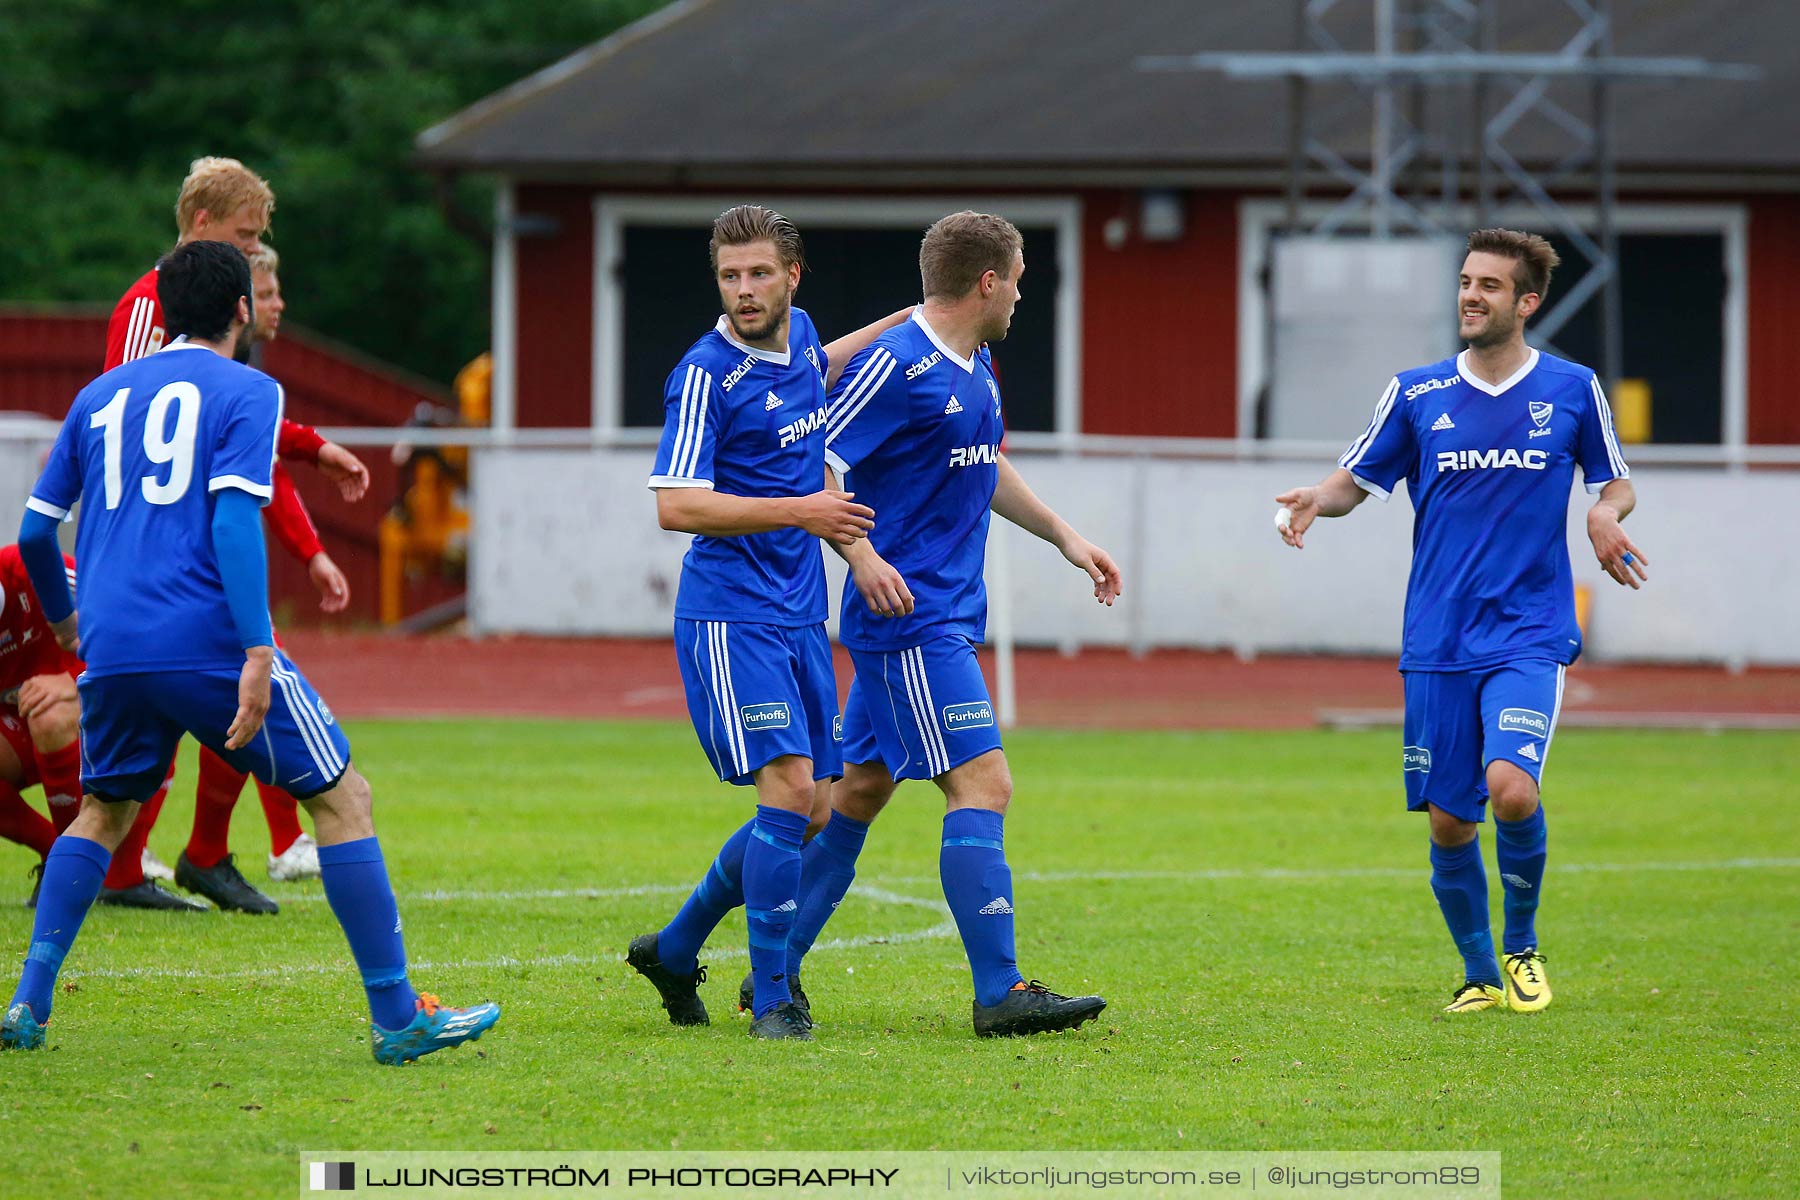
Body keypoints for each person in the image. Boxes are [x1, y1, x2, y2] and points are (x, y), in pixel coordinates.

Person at [0, 240, 499, 1062]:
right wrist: (259, 649)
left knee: (103, 811)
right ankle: (397, 1016)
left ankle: (28, 1005)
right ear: (241, 310)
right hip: (203, 639)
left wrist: (65, 626)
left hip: (113, 645)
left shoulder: (96, 397)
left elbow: (31, 531)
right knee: (344, 798)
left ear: (160, 313)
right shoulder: (250, 388)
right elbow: (233, 520)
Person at [1274, 228, 1644, 1014]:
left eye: (1490, 285)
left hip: (1528, 630)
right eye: (1466, 281)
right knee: (1449, 822)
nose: (1471, 296)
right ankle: (1478, 974)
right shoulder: (1416, 393)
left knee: (1510, 790)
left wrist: (1601, 515)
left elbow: (1616, 483)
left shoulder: (1572, 390)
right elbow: (1354, 480)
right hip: (1438, 635)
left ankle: (1522, 950)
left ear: (1527, 302)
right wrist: (1316, 498)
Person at [771, 211, 1122, 1038]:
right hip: (911, 620)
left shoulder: (976, 361)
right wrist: (859, 558)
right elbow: (815, 457)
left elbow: (986, 462)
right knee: (984, 783)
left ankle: (770, 971)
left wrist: (1067, 538)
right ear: (988, 283)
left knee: (857, 793)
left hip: (946, 615)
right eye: (1021, 278)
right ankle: (1000, 991)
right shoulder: (896, 364)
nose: (1023, 293)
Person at [625, 205, 908, 1041]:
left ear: (793, 276)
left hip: (797, 614)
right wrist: (806, 511)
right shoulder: (705, 373)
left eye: (757, 274)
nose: (743, 291)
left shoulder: (803, 341)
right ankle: (776, 995)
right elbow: (676, 505)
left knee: (814, 810)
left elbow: (823, 362)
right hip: (728, 614)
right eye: (728, 276)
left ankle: (675, 948)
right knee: (788, 792)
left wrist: (917, 323)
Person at [100, 158, 370, 911]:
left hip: (176, 555)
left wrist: (311, 448)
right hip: (162, 556)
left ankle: (176, 861)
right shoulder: (153, 308)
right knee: (241, 690)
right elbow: (128, 417)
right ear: (201, 225)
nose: (255, 256)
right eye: (247, 238)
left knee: (212, 705)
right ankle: (169, 862)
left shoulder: (208, 311)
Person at [180, 245, 344, 901]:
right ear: (240, 304)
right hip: (186, 586)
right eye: (269, 293)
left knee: (235, 703)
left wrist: (312, 552)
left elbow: (272, 457)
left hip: (153, 593)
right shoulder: (235, 382)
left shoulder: (240, 379)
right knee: (335, 778)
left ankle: (208, 851)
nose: (278, 306)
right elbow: (247, 496)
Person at [0, 544, 83, 901]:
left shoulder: (35, 566)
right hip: (17, 726)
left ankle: (84, 861)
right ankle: (55, 852)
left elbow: (129, 616)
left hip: (92, 706)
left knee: (49, 715)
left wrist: (73, 679)